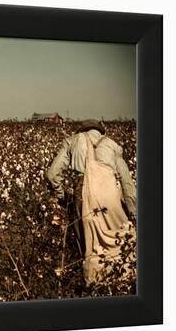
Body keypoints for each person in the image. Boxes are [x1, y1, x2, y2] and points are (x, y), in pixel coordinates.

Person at [47, 119, 136, 285]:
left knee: (88, 244)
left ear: (82, 130)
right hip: (111, 194)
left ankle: (93, 286)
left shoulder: (72, 141)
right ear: (100, 131)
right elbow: (127, 182)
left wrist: (61, 196)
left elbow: (52, 174)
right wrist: (132, 211)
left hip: (82, 193)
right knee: (119, 239)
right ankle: (121, 284)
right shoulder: (112, 145)